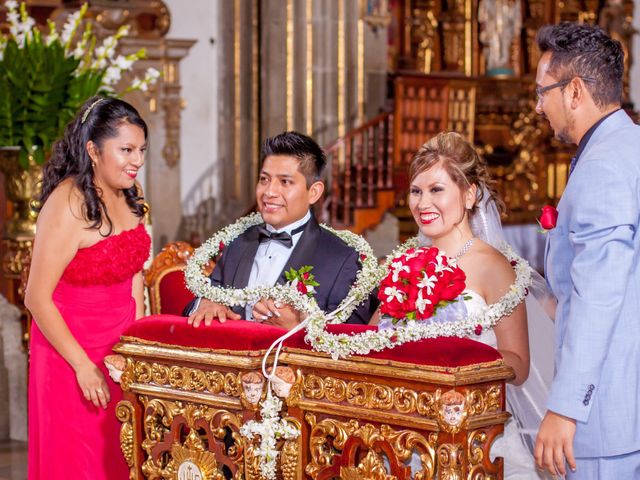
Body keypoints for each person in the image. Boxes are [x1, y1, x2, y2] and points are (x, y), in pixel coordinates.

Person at [395, 131, 552, 478]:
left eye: (437, 190)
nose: (422, 204)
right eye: (416, 191)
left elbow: (520, 364)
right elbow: (375, 338)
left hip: (480, 439)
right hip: (411, 437)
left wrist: (456, 363)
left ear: (469, 194)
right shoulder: (405, 263)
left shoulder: (491, 265)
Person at [533, 23, 640, 478]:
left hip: (604, 415)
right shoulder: (630, 145)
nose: (539, 107)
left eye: (542, 93)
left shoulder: (603, 168)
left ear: (574, 91)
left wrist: (564, 408)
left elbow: (599, 295)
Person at [24, 96, 151, 479]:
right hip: (69, 354)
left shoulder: (132, 192)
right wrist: (82, 366)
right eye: (126, 150)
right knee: (80, 463)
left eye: (142, 150)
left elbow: (135, 275)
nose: (137, 161)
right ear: (93, 150)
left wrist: (136, 349)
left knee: (121, 456)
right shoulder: (67, 203)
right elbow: (35, 297)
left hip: (119, 348)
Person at [185, 131, 376, 329]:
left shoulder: (343, 259)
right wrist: (205, 303)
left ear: (314, 192)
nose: (269, 192)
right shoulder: (238, 242)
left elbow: (353, 338)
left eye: (285, 182)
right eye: (264, 179)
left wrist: (300, 327)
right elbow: (205, 297)